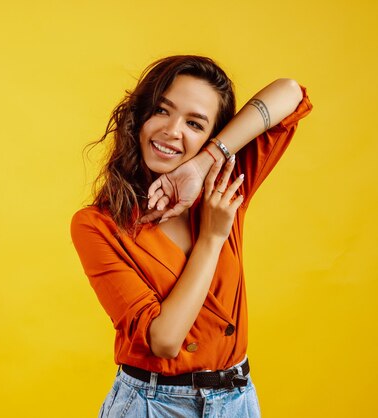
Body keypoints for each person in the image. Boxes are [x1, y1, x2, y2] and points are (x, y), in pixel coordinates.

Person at [70, 55, 312, 417]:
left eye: (195, 124)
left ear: (213, 137)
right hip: (154, 405)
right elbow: (165, 341)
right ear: (139, 117)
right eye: (162, 111)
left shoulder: (222, 184)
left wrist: (203, 163)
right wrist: (213, 237)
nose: (172, 130)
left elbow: (290, 93)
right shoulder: (98, 225)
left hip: (238, 400)